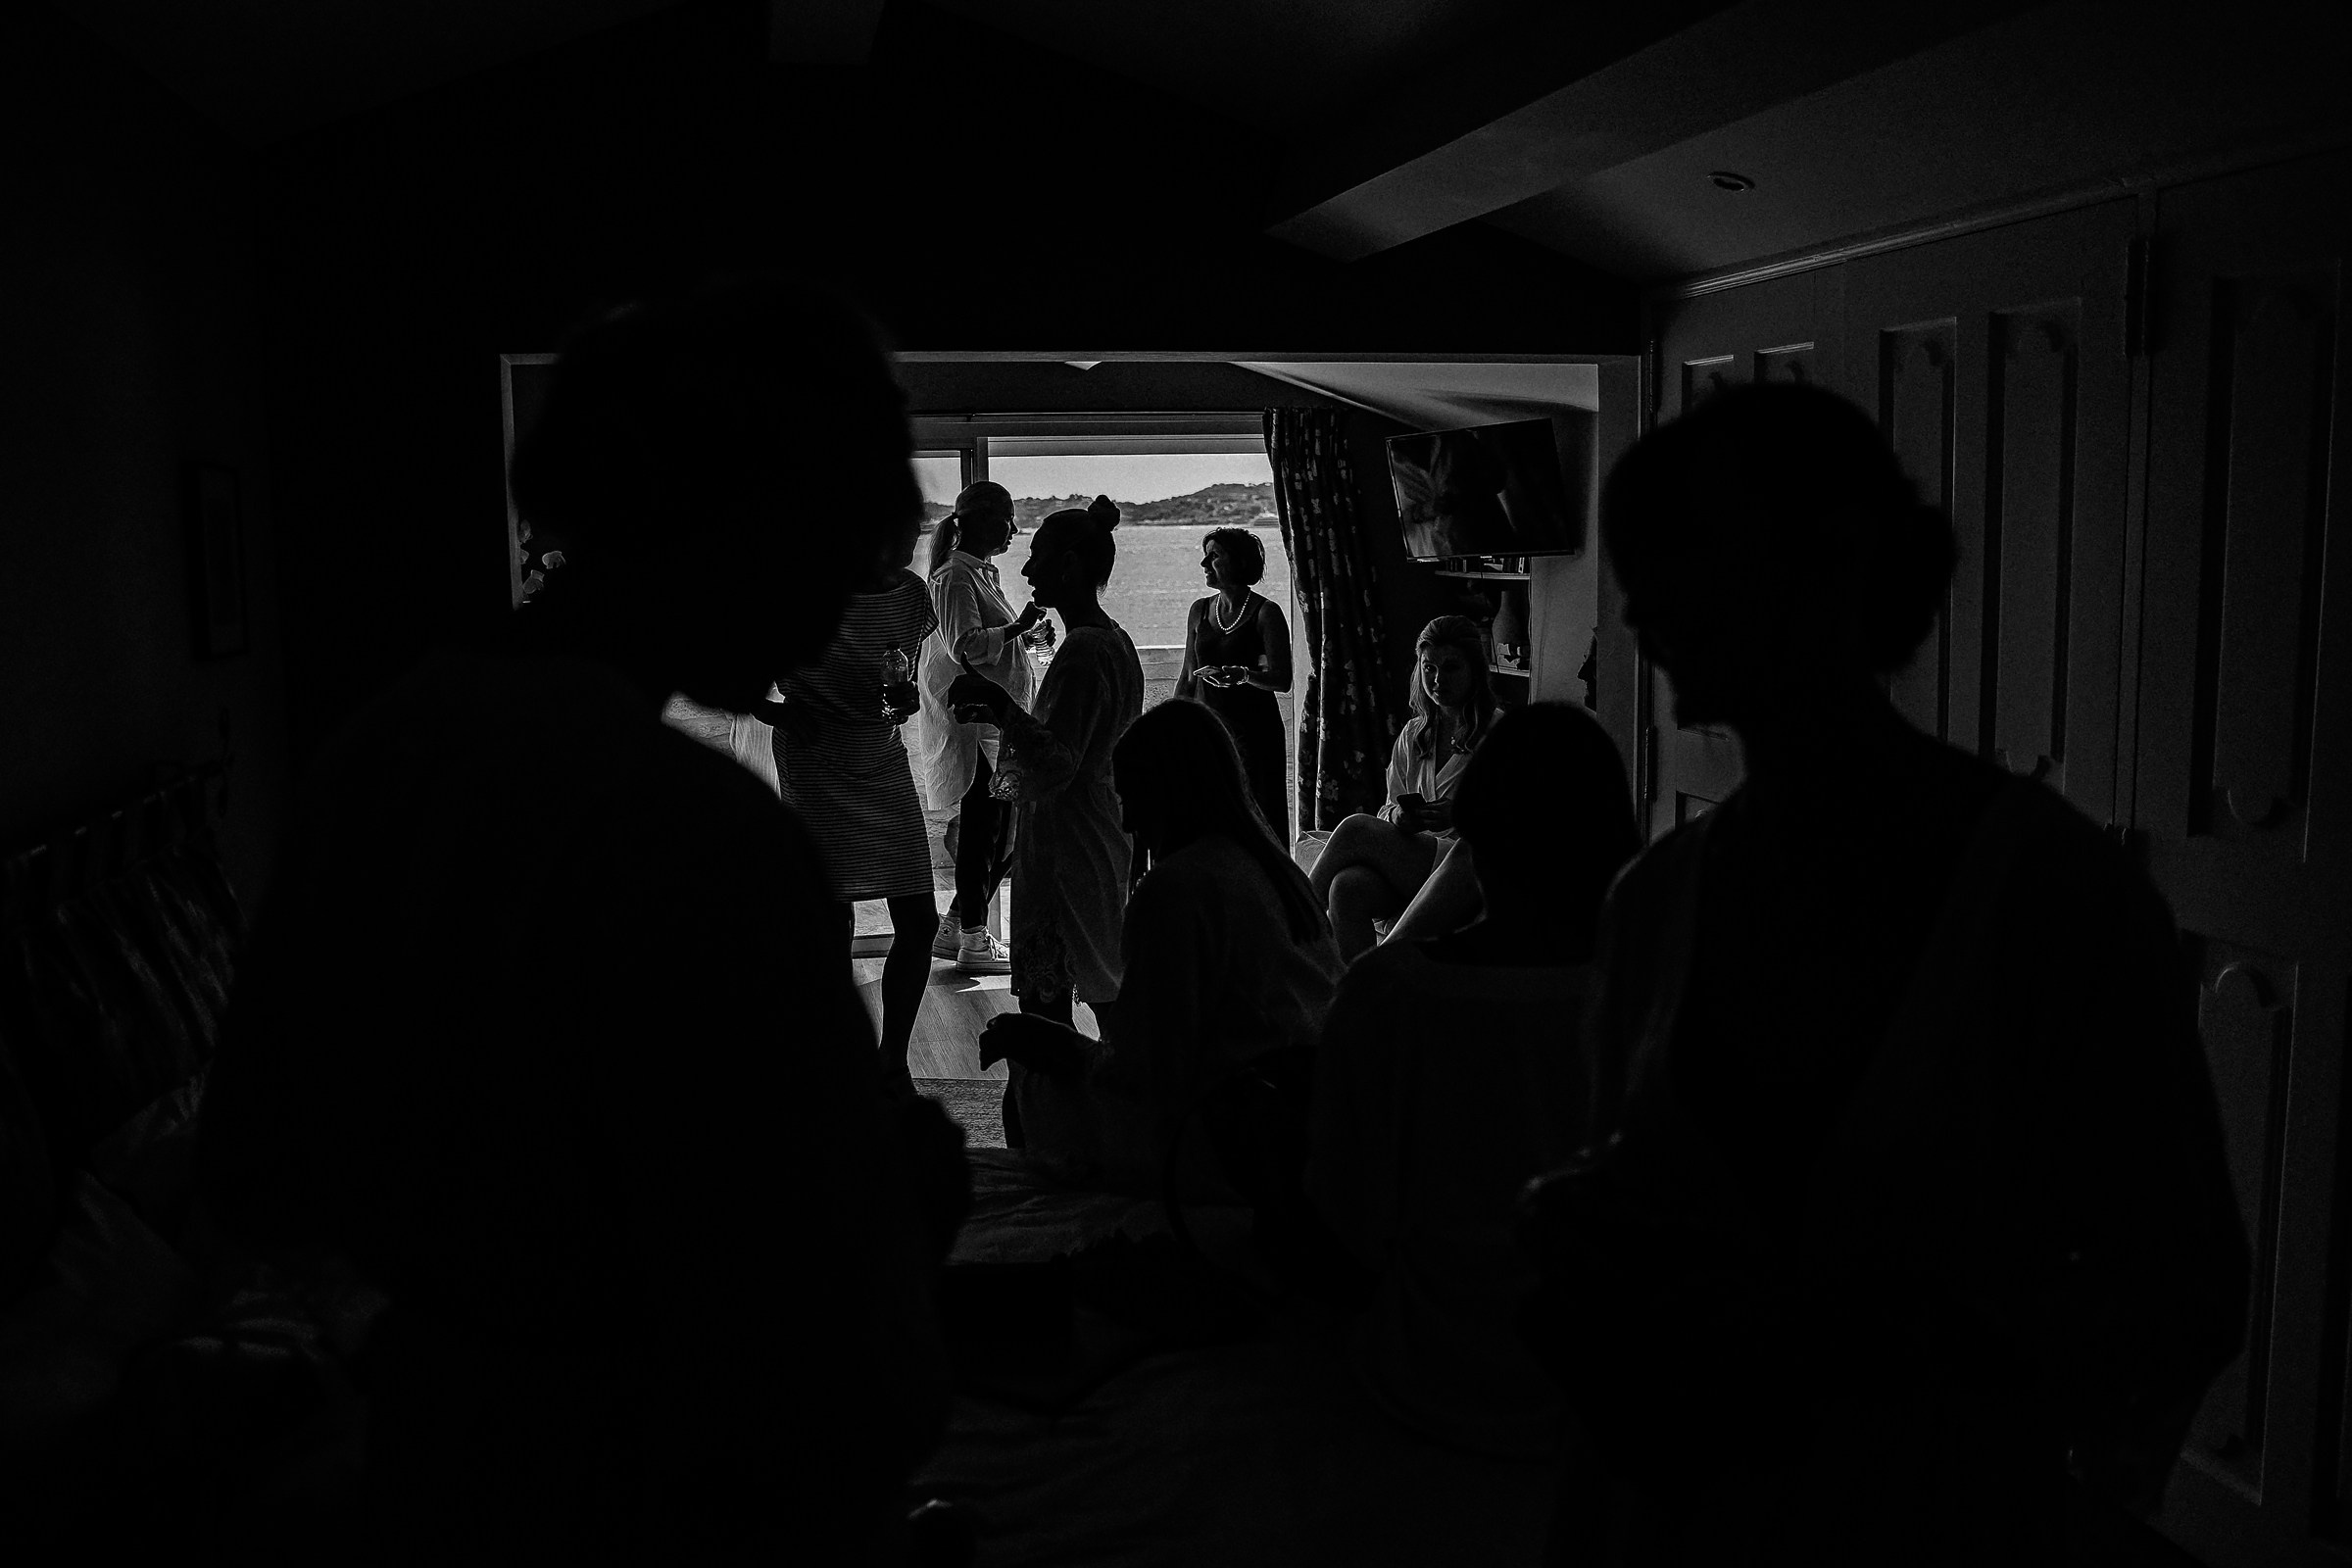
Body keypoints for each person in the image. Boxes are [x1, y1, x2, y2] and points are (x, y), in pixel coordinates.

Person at [192, 280, 963, 1562]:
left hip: (435, 1463)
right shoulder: (686, 833)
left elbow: (258, 1162)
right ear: (747, 519)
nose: (847, 594)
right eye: (842, 539)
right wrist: (907, 1212)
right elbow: (840, 1385)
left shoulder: (385, 750)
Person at [1518, 382, 2249, 1564]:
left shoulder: (2052, 900)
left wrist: (1848, 1341)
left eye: (1681, 556)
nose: (1641, 605)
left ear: (1834, 560)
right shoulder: (1654, 901)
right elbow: (1646, 1183)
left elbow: (2183, 1291)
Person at [1304, 702, 1639, 1461]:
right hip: (1596, 1387)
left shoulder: (1393, 998)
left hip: (1423, 1371)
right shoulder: (1647, 994)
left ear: (1476, 840)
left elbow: (1343, 1218)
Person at [974, 699, 1343, 1199]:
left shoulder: (1176, 890)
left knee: (1028, 1074)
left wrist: (1046, 1043)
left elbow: (1143, 1073)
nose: (1127, 827)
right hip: (1312, 1124)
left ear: (1166, 795)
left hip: (1229, 1141)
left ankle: (1065, 1222)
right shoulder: (1278, 874)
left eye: (1132, 801)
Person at [946, 496, 1142, 1026]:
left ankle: (1052, 1107)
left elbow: (1058, 762)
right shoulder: (1115, 641)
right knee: (1106, 988)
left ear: (1070, 566)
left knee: (1045, 1011)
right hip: (1104, 832)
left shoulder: (1082, 651)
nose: (1028, 570)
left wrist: (1001, 707)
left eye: (1038, 556)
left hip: (1067, 844)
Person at [760, 540, 939, 1099]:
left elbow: (902, 685)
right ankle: (833, 1053)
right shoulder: (797, 591)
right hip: (815, 762)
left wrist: (904, 698)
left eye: (912, 531)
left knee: (920, 919)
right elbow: (718, 661)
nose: (907, 544)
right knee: (831, 920)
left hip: (881, 755)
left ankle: (892, 1058)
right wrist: (777, 710)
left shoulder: (912, 594)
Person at [1306, 615, 1496, 961]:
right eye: (1429, 668)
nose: (1438, 680)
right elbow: (1387, 808)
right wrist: (1400, 819)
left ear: (1474, 670)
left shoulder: (1499, 734)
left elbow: (1514, 824)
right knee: (1346, 887)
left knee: (1355, 828)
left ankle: (1289, 924)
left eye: (1451, 668)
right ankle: (1357, 998)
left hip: (1464, 868)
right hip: (1414, 859)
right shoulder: (1415, 734)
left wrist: (1462, 814)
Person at [913, 481, 1044, 975]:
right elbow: (965, 646)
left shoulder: (979, 575)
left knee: (1001, 833)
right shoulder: (952, 577)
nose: (1013, 529)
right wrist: (1018, 626)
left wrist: (1021, 634)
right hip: (975, 725)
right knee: (984, 832)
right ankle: (971, 936)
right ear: (973, 522)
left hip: (997, 723)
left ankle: (957, 927)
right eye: (1004, 520)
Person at [1175, 526, 1293, 839]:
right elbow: (1188, 677)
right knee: (1210, 823)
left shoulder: (1266, 614)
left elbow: (1283, 679)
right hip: (1210, 734)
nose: (1204, 564)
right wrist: (1173, 723)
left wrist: (1244, 675)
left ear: (1239, 562)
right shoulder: (1199, 610)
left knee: (1260, 825)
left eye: (1214, 556)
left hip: (1256, 737)